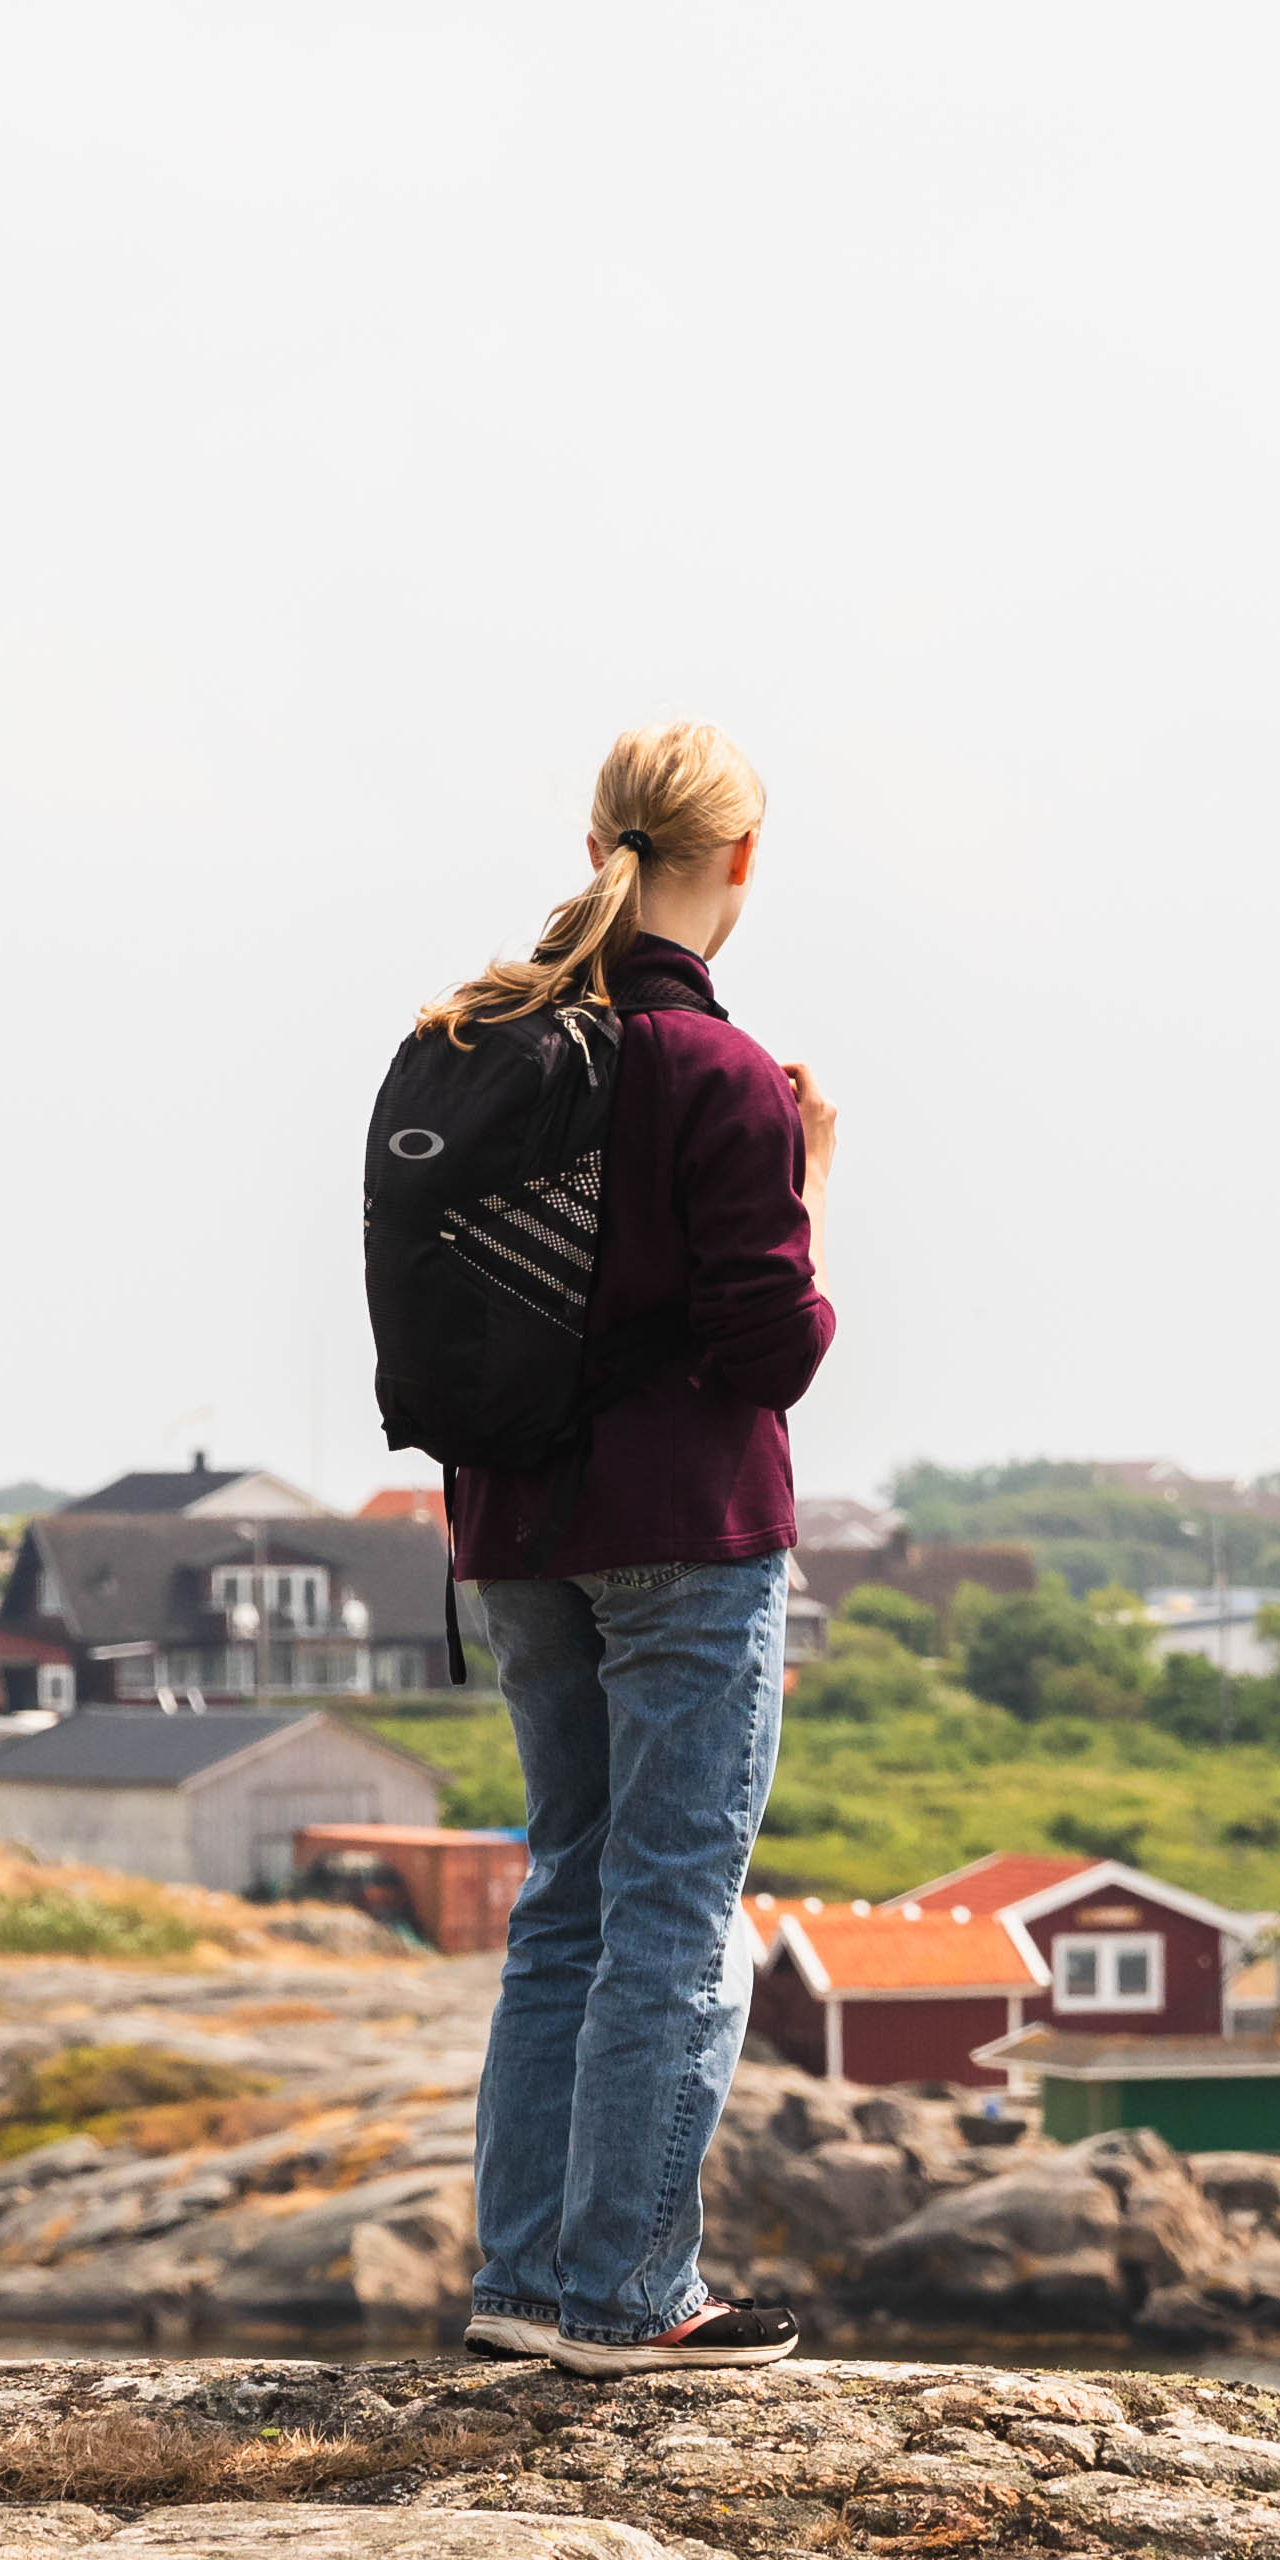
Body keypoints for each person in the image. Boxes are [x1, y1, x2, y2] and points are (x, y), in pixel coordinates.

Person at [437, 722, 836, 2374]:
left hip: (515, 1525)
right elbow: (770, 1350)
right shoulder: (717, 1073)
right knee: (677, 1909)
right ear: (736, 863)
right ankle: (627, 2299)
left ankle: (524, 2284)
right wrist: (805, 1183)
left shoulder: (481, 1039)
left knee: (568, 1902)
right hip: (680, 1530)